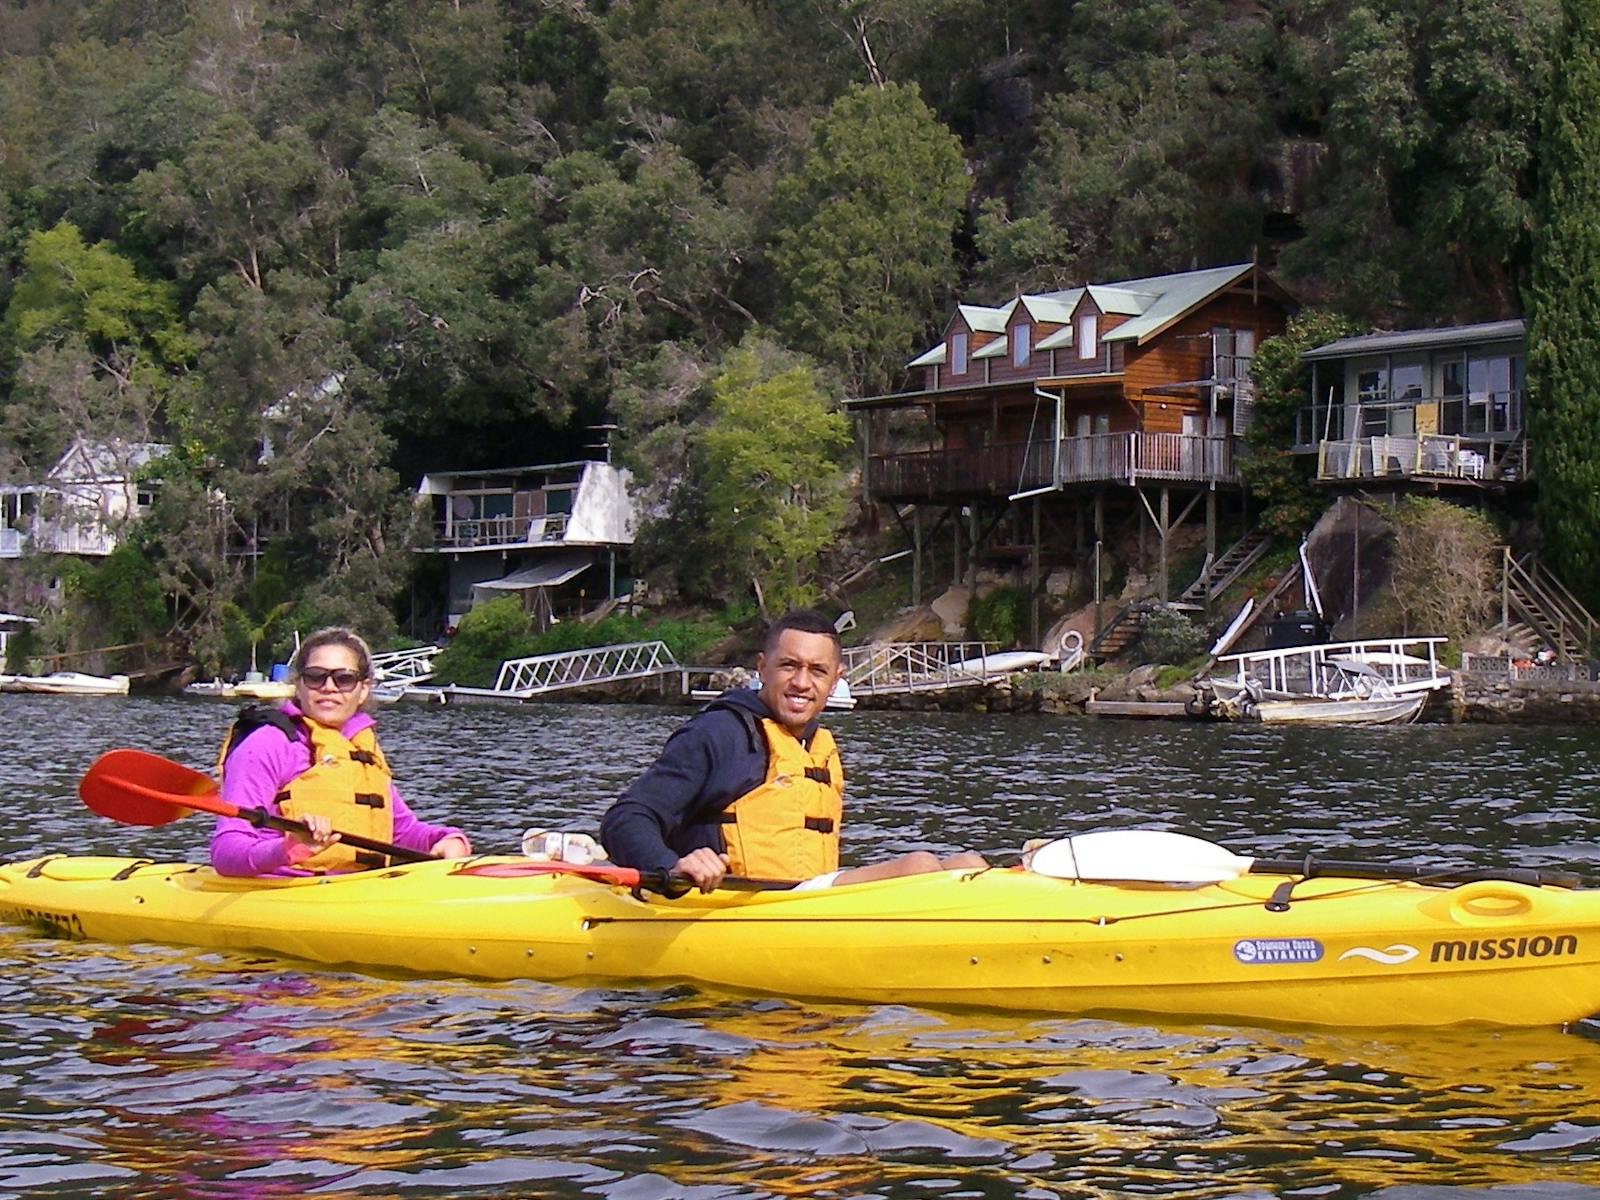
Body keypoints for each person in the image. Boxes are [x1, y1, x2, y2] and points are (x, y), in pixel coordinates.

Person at [600, 608, 986, 892]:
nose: (802, 682)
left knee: (969, 863)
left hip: (801, 901)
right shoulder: (720, 733)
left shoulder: (816, 744)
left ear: (835, 681)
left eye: (817, 670)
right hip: (740, 905)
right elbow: (625, 819)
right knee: (919, 865)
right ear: (762, 668)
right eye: (789, 666)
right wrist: (672, 865)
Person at [210, 627, 472, 876]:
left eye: (344, 678)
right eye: (315, 676)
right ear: (299, 685)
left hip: (354, 887)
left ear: (363, 689)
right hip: (279, 891)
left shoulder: (359, 747)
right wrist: (287, 849)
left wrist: (446, 839)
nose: (329, 687)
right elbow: (226, 852)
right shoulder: (267, 744)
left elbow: (401, 832)